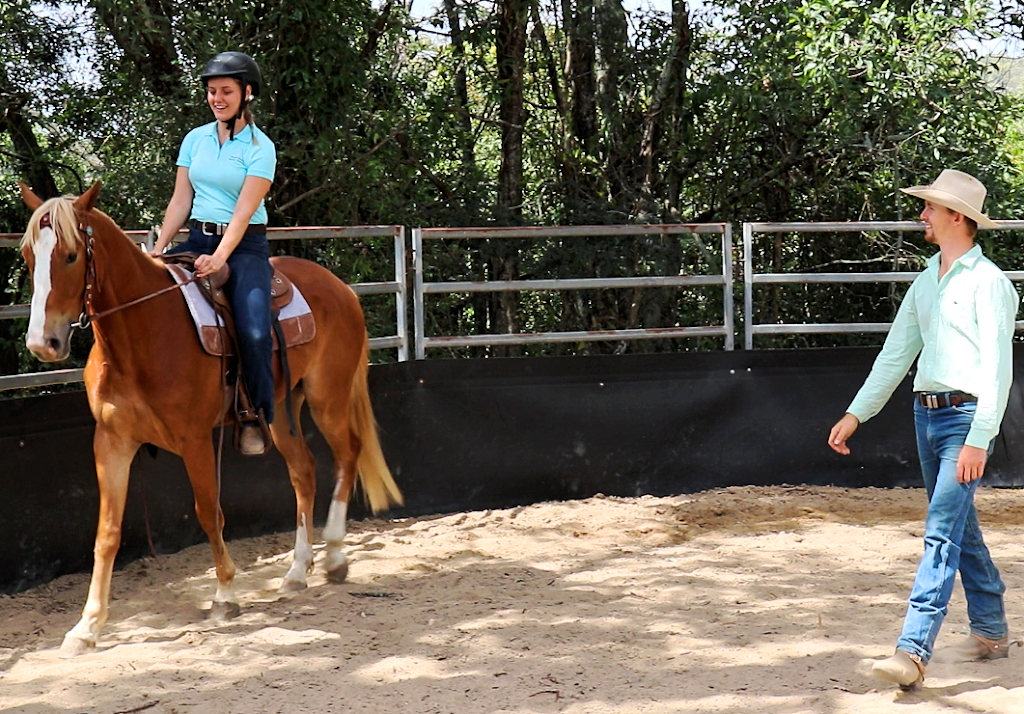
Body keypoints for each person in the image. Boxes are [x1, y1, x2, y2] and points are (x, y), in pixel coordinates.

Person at [828, 169, 1019, 689]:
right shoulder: (925, 281)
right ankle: (991, 630)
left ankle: (912, 652)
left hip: (963, 418)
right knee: (958, 524)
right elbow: (895, 357)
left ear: (958, 217)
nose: (923, 216)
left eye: (931, 208)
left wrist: (979, 437)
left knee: (940, 529)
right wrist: (856, 413)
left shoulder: (990, 284)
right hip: (926, 414)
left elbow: (997, 372)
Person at [151, 51, 277, 456]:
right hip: (195, 241)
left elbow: (242, 213)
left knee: (256, 331)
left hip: (244, 248)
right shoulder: (195, 139)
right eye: (211, 91)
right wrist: (157, 249)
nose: (217, 98)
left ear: (247, 93)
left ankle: (254, 414)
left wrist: (221, 257)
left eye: (226, 91)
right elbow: (180, 200)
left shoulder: (261, 148)